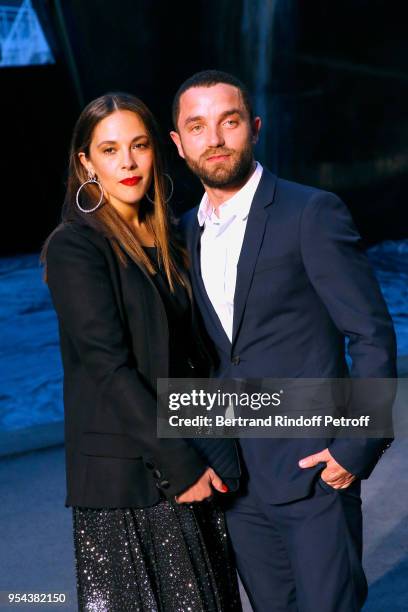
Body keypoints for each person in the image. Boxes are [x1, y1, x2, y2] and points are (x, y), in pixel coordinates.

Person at [170, 70, 397, 612]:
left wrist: (355, 448)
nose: (215, 138)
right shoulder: (182, 233)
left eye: (228, 121)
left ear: (254, 126)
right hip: (236, 478)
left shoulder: (310, 212)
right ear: (179, 145)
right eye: (197, 127)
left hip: (314, 468)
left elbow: (370, 333)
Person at [42, 92, 242, 612]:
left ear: (157, 150)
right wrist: (182, 464)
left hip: (191, 456)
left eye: (138, 145)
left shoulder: (173, 237)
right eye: (109, 150)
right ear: (85, 162)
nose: (127, 163)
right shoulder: (76, 247)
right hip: (128, 482)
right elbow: (107, 368)